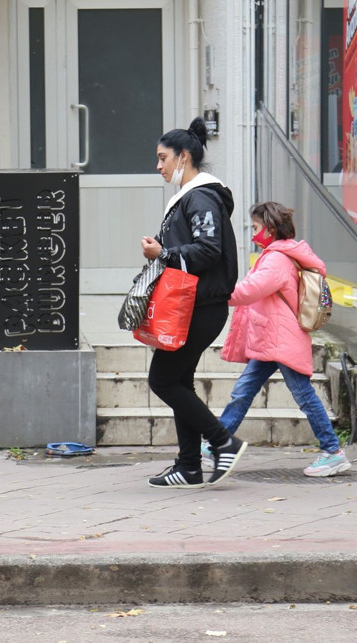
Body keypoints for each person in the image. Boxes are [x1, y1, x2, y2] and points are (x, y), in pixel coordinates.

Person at [142, 116, 247, 489]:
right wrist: (161, 251)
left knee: (163, 379)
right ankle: (188, 467)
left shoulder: (200, 196)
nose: (158, 166)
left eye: (162, 158)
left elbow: (207, 249)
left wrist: (164, 253)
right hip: (193, 306)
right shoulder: (189, 198)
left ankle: (222, 441)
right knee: (178, 380)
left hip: (201, 307)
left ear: (183, 157)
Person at [211, 201, 351, 477]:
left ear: (270, 229)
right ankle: (218, 442)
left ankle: (333, 452)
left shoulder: (275, 258)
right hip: (272, 339)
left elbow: (251, 289)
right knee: (243, 391)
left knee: (303, 396)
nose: (253, 234)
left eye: (256, 228)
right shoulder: (277, 255)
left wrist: (214, 293)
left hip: (280, 339)